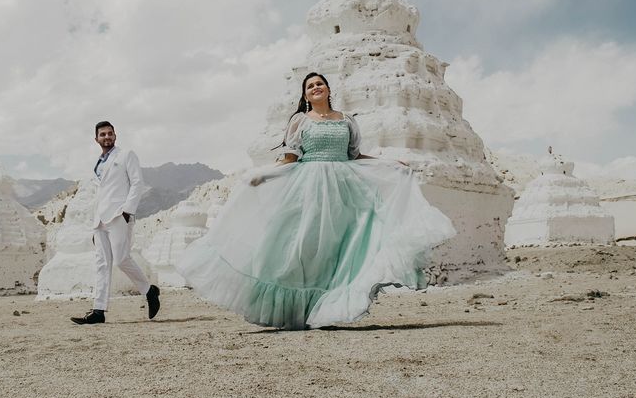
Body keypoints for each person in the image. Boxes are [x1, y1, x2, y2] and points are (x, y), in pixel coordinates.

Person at [177, 73, 455, 330]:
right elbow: (290, 159)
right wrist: (263, 175)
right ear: (306, 96)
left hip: (344, 190)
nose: (315, 87)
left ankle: (326, 311)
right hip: (307, 188)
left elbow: (355, 156)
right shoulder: (300, 121)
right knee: (304, 248)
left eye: (319, 83)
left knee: (338, 249)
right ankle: (295, 311)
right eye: (310, 86)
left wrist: (392, 163)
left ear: (328, 89)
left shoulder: (346, 120)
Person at [71, 121, 161, 325]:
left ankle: (149, 291)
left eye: (110, 134)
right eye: (102, 134)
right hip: (100, 220)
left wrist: (127, 212)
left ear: (115, 136)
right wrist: (96, 225)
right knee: (102, 264)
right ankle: (98, 310)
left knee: (121, 259)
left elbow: (138, 183)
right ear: (96, 139)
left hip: (119, 215)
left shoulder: (126, 155)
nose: (107, 137)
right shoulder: (98, 164)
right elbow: (101, 193)